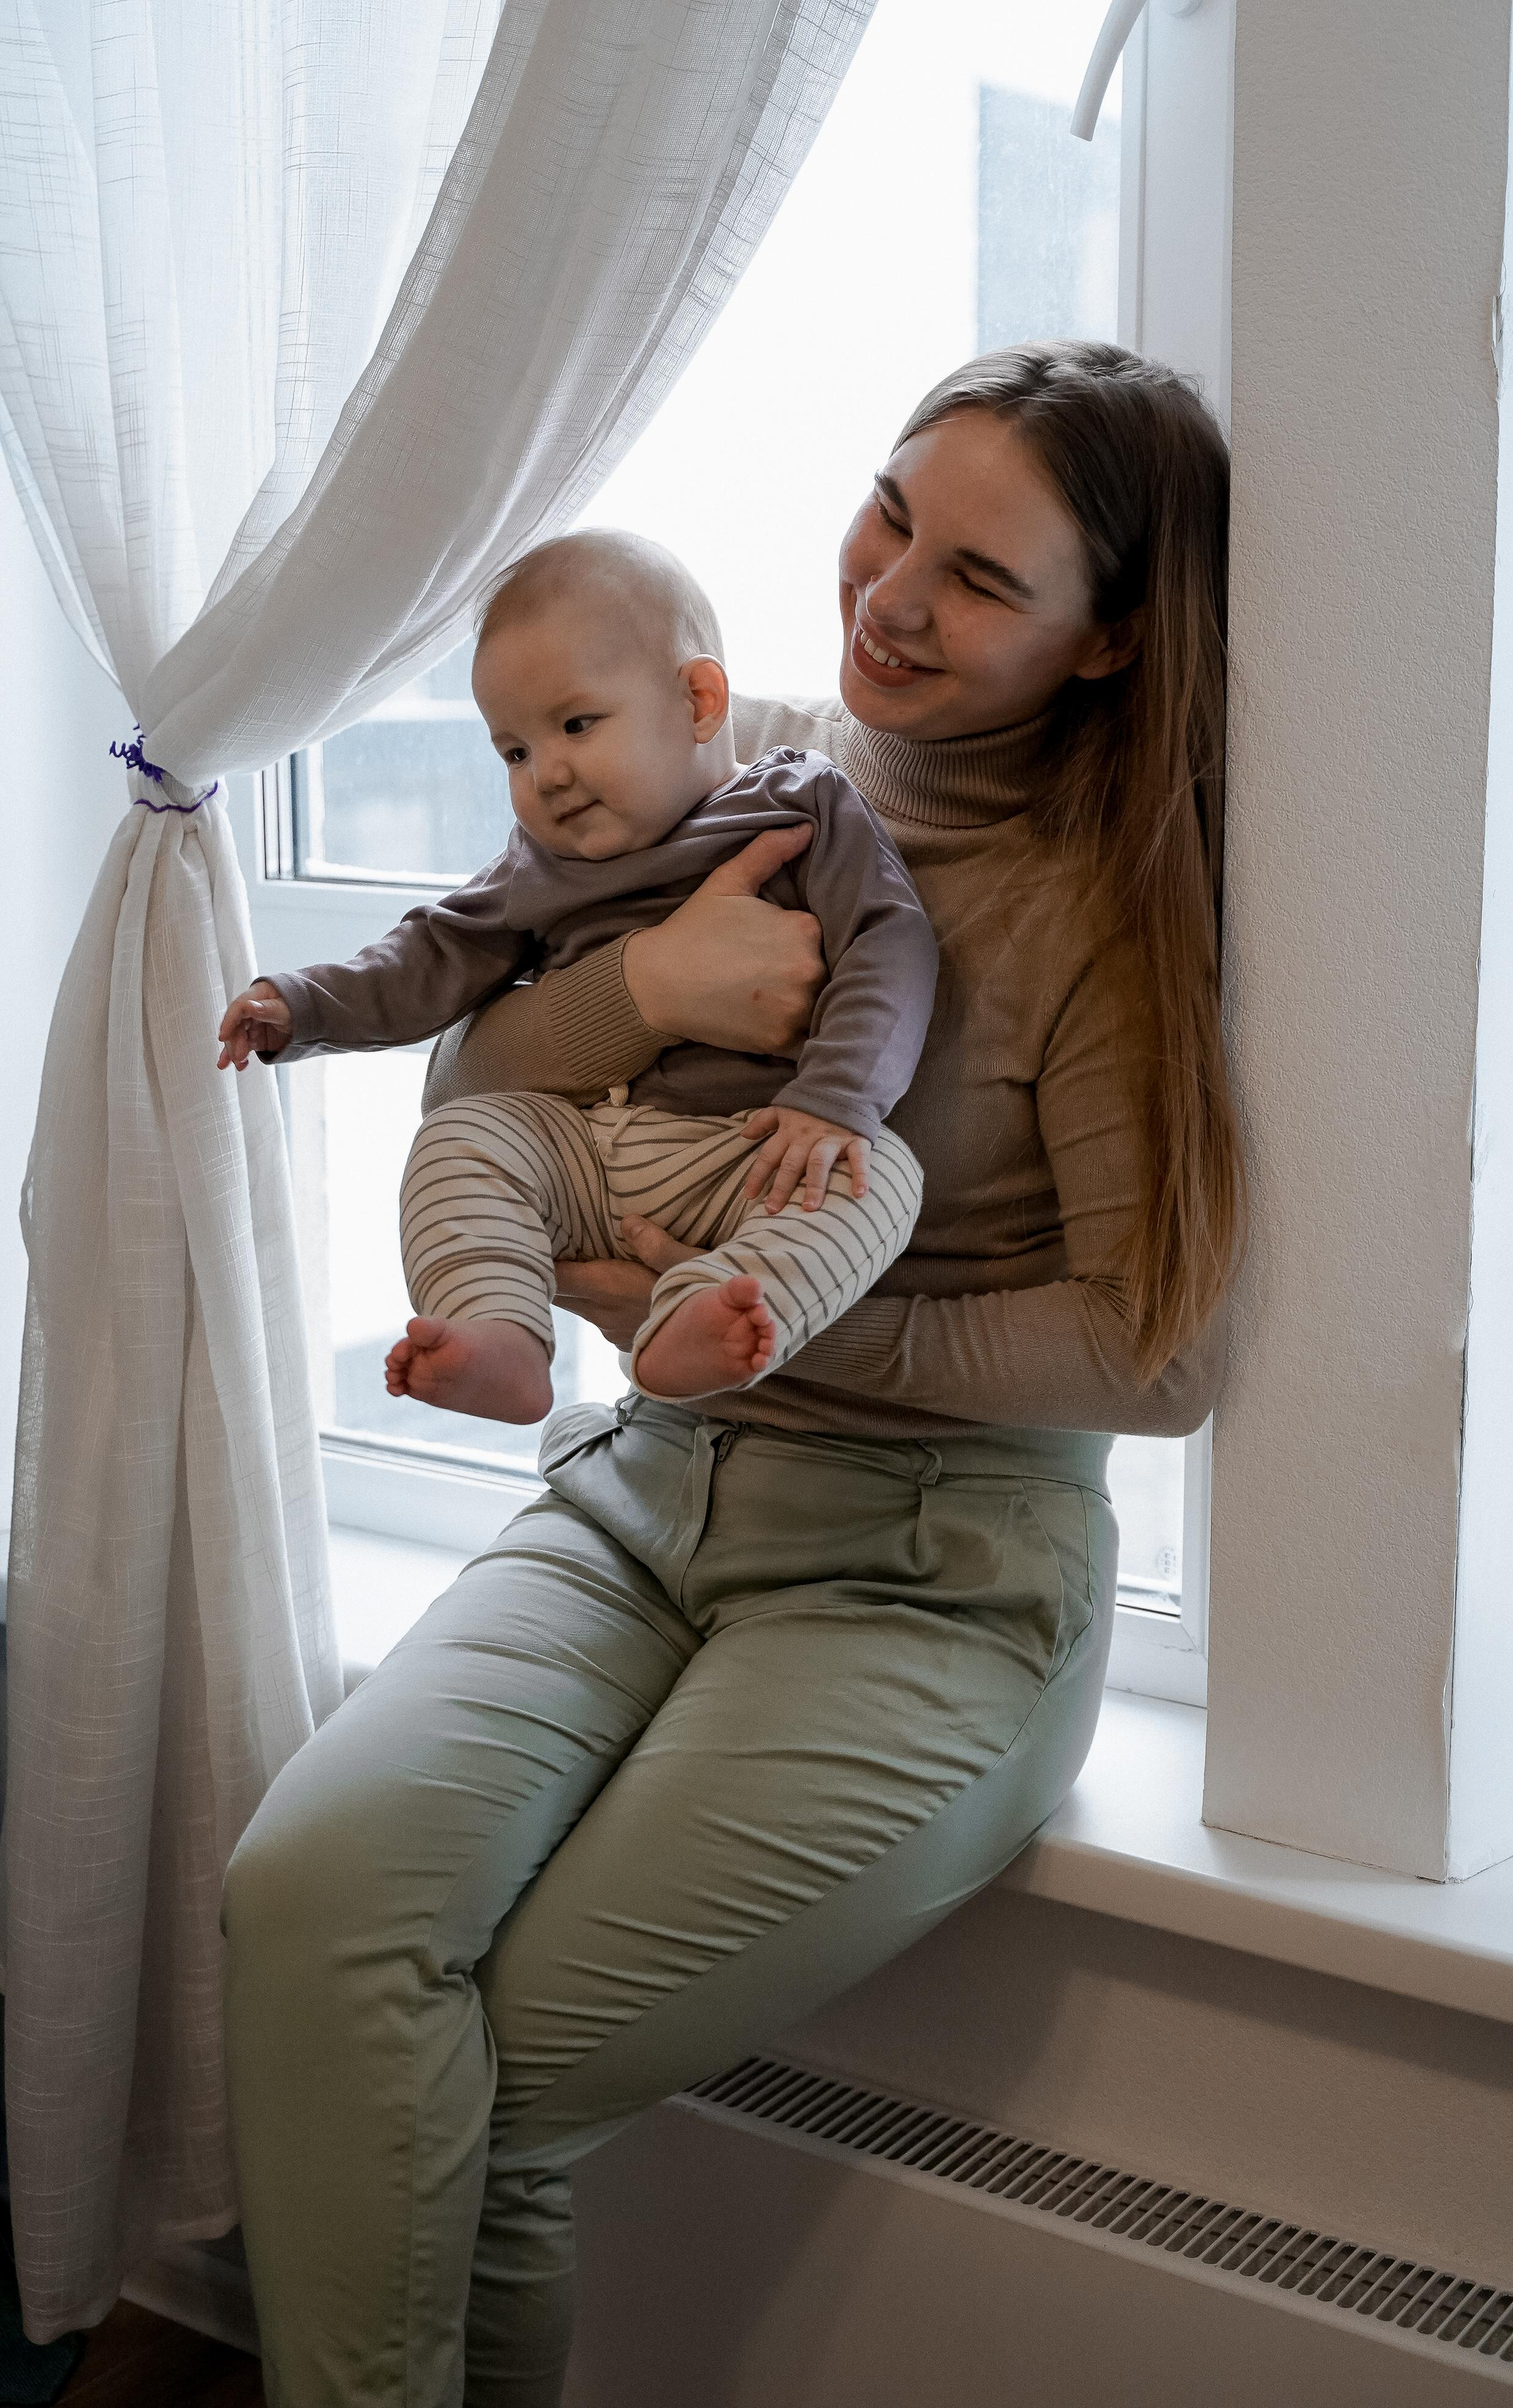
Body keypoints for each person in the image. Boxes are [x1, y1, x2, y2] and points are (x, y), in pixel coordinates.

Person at [221, 341, 1242, 2408]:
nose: (886, 594)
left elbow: (1158, 1355)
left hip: (928, 1573)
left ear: (1111, 640)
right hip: (636, 1496)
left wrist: (789, 1311)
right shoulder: (745, 763)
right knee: (304, 1902)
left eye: (978, 576)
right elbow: (477, 1082)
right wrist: (642, 989)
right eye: (889, 512)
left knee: (473, 2090)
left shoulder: (1094, 917)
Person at [215, 531, 935, 1412]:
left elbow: (887, 943)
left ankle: (705, 1316)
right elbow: (432, 952)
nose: (545, 775)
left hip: (744, 1154)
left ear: (700, 701)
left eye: (576, 725)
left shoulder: (798, 802)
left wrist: (835, 1098)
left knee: (879, 1175)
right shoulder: (538, 861)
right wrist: (303, 1004)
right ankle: (502, 1336)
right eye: (513, 751)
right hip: (582, 1152)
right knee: (462, 1140)